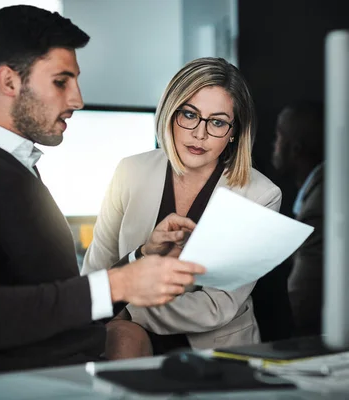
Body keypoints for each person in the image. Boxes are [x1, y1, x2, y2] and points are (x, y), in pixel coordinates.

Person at [0, 5, 206, 378]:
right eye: (62, 81)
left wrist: (139, 261)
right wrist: (117, 283)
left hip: (69, 374)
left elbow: (56, 303)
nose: (77, 99)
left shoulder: (17, 169)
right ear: (9, 82)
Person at [82, 57, 282, 357]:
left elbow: (218, 306)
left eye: (217, 122)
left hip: (214, 346)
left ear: (234, 132)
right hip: (129, 336)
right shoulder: (130, 171)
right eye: (189, 115)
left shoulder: (260, 194)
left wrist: (129, 308)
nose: (199, 134)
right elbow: (96, 273)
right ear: (169, 112)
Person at [272, 100, 325, 337]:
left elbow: (301, 306)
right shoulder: (320, 189)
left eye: (278, 137)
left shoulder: (319, 204)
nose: (274, 145)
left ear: (295, 148)